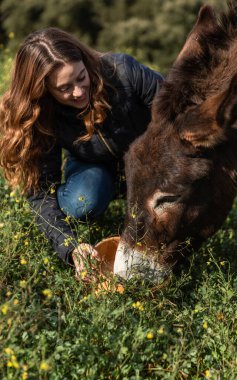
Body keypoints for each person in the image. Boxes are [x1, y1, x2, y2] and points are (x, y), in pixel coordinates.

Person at [0, 27, 163, 279]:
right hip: (94, 166)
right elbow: (40, 194)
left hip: (150, 161)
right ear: (43, 90)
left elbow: (180, 110)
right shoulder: (44, 116)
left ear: (85, 63)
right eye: (64, 88)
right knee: (82, 201)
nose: (78, 92)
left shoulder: (123, 72)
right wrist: (70, 246)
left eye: (80, 77)